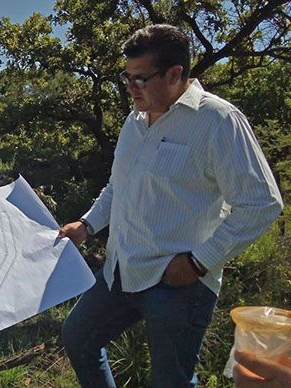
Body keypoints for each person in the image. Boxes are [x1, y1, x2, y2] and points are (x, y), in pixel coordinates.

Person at [58, 24, 283, 388]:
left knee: (171, 381)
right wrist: (86, 225)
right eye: (126, 77)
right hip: (121, 270)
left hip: (178, 285)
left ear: (176, 73)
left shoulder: (218, 121)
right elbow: (120, 185)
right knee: (79, 338)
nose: (131, 88)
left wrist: (199, 261)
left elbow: (261, 203)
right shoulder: (134, 121)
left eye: (141, 79)